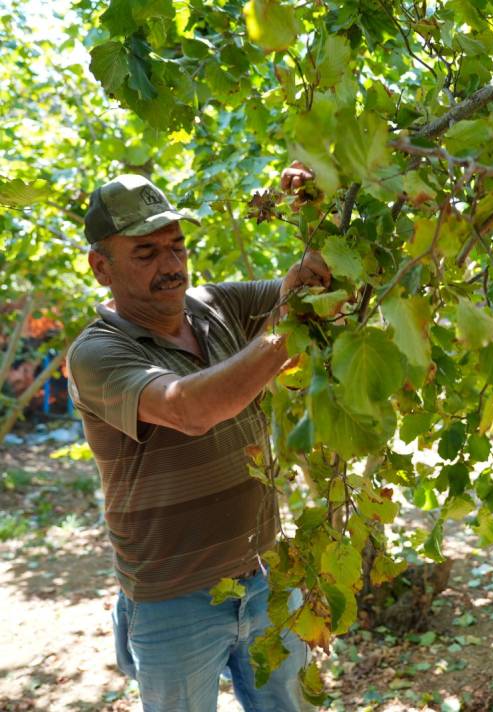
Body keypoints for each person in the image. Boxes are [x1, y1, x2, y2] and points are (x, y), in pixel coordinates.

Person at [68, 163, 328, 711]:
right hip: (172, 602)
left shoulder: (218, 307)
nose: (171, 265)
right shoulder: (96, 353)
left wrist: (318, 207)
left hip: (266, 578)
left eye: (177, 246)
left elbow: (315, 283)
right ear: (100, 267)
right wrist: (288, 328)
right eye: (146, 253)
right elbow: (189, 408)